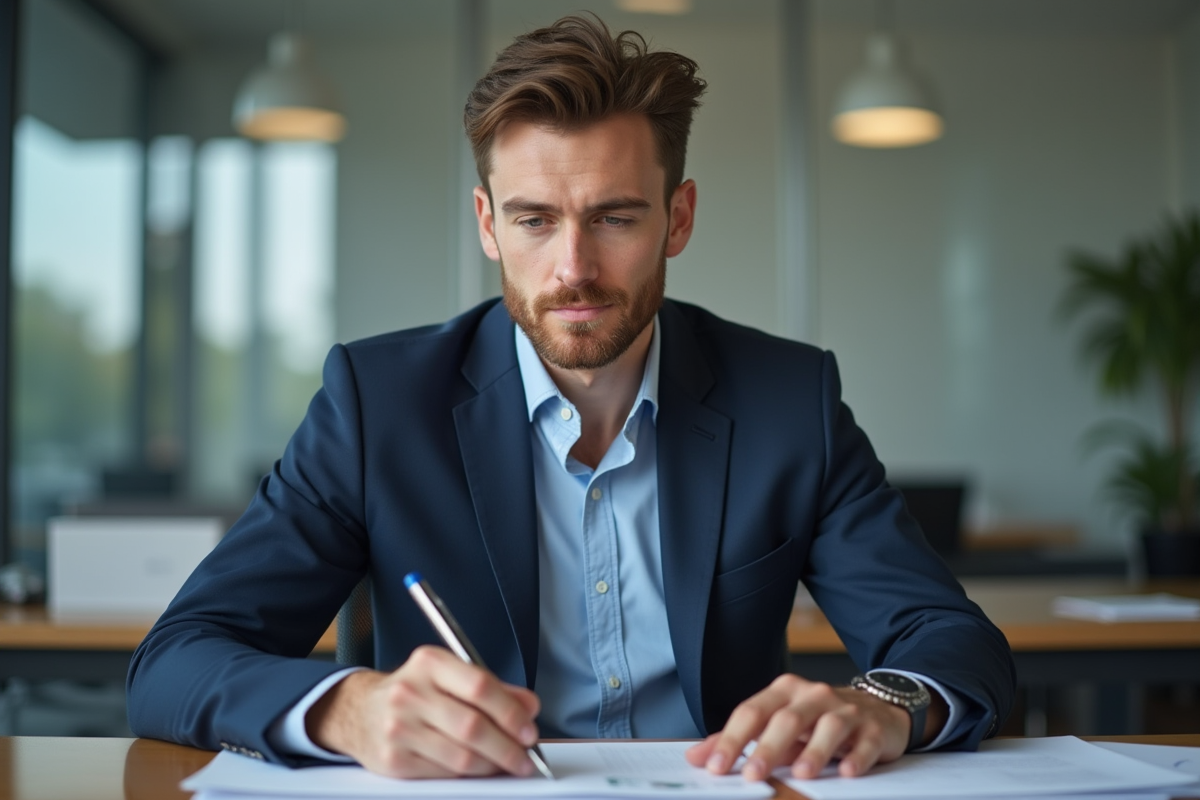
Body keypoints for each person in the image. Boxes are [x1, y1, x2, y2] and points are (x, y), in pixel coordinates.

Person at [127, 13, 1015, 783]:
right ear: (487, 224)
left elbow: (950, 640)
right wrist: (345, 710)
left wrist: (889, 704)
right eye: (534, 220)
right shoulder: (377, 403)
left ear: (679, 218)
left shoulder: (790, 398)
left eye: (616, 218)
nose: (574, 269)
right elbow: (175, 663)